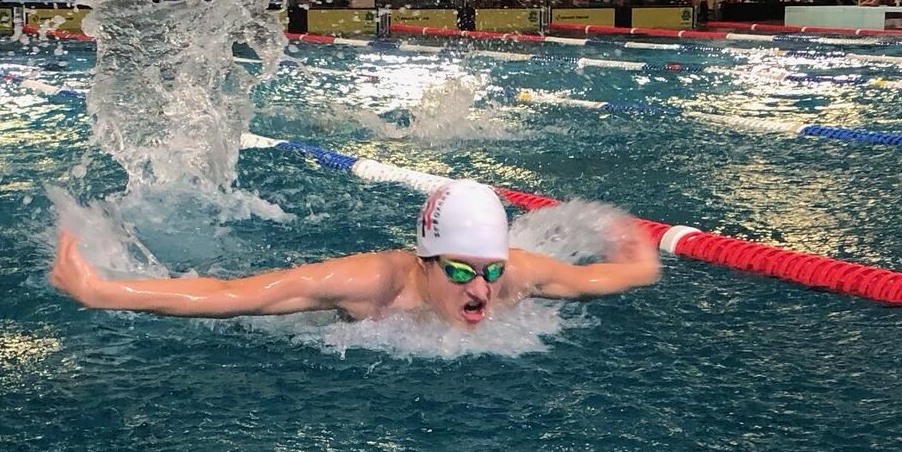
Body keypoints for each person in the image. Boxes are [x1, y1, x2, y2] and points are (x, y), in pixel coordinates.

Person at [50, 180, 661, 329]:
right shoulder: (370, 283)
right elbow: (233, 295)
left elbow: (587, 281)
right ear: (425, 260)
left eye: (489, 270)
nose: (480, 290)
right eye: (460, 270)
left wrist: (639, 264)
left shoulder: (511, 278)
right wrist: (101, 290)